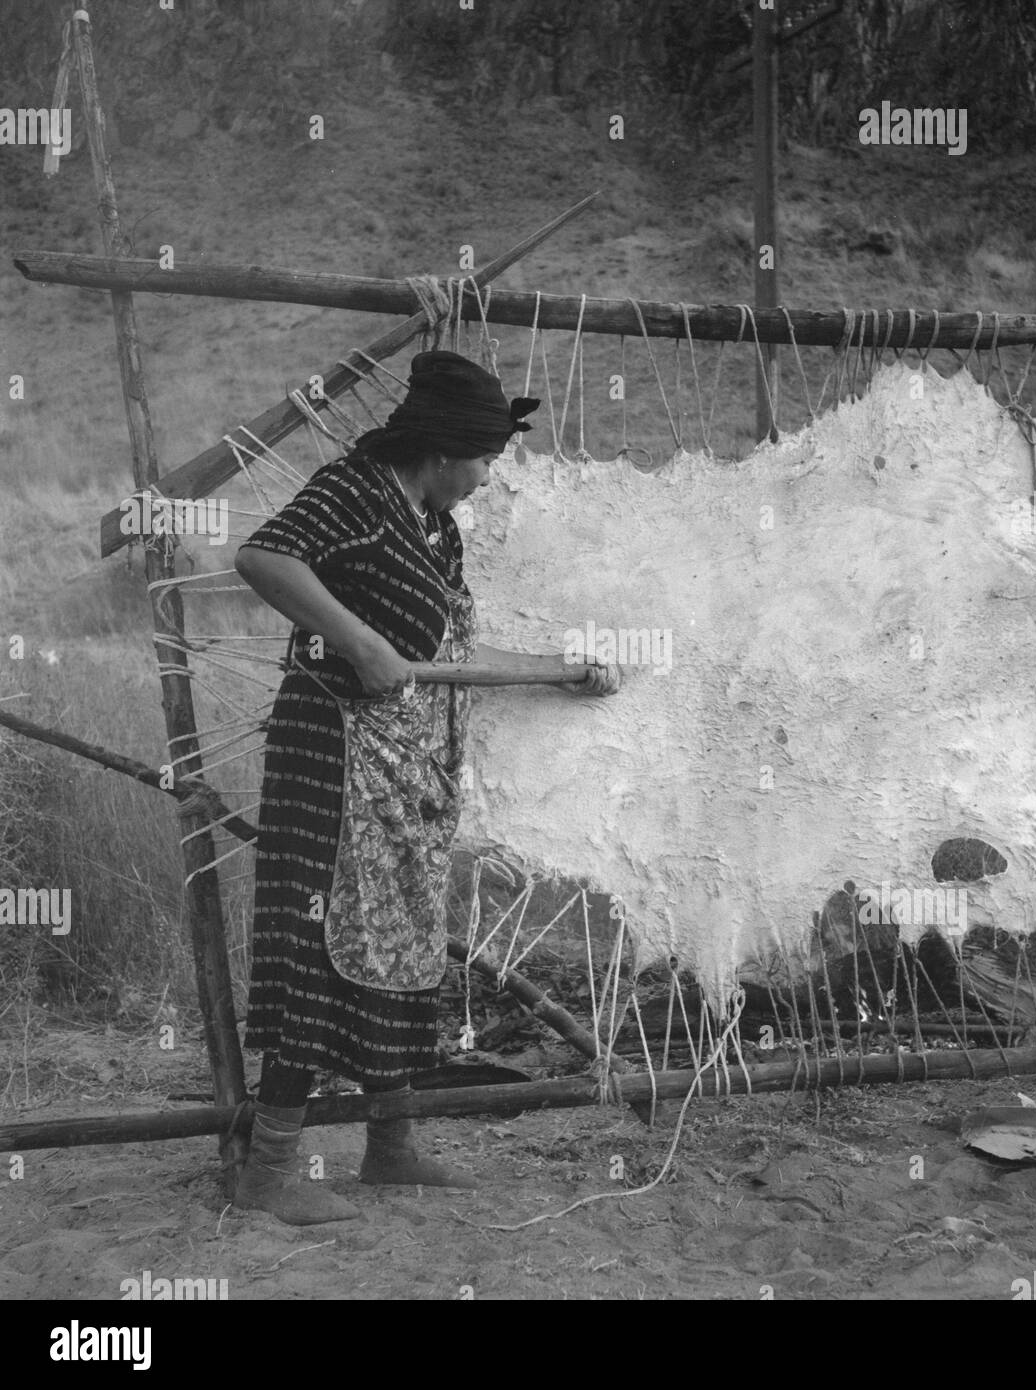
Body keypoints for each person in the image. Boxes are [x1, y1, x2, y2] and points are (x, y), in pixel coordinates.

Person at [231, 350, 620, 1225]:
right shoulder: (357, 491)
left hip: (402, 773)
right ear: (443, 449)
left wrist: (556, 671)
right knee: (320, 945)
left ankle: (391, 1147)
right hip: (329, 756)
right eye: (484, 460)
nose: (487, 478)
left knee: (401, 945)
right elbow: (263, 559)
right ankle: (265, 1172)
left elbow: (451, 660)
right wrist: (359, 641)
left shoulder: (434, 526)